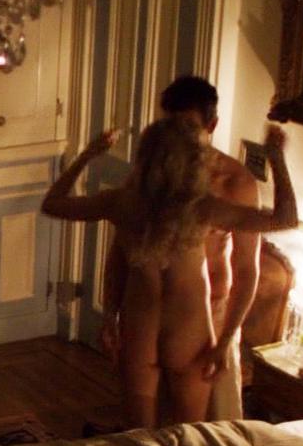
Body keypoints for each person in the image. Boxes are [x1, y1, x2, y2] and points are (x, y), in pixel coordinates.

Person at [43, 119, 297, 429]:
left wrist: (88, 155)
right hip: (187, 328)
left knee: (140, 437)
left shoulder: (123, 203)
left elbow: (53, 203)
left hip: (141, 324)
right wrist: (277, 158)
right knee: (187, 437)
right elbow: (286, 218)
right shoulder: (202, 209)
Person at [100, 76, 263, 420]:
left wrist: (226, 338)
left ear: (211, 125)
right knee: (141, 422)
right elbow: (122, 251)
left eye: (188, 127)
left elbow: (248, 269)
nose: (178, 136)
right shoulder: (150, 175)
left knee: (206, 429)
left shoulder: (235, 184)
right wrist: (110, 313)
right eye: (171, 125)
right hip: (148, 314)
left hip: (207, 315)